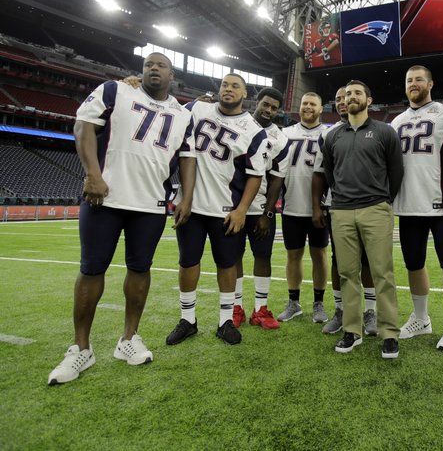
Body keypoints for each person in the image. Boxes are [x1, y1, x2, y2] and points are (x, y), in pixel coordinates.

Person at [48, 53, 196, 385]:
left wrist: (186, 197)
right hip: (105, 195)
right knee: (91, 268)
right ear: (140, 72)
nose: (153, 68)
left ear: (173, 75)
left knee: (140, 269)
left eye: (160, 65)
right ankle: (80, 349)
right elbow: (83, 126)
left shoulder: (182, 113)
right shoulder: (115, 91)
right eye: (148, 65)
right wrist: (92, 175)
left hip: (151, 202)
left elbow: (187, 156)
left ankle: (129, 339)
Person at [166, 73, 268, 346]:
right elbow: (166, 107)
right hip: (191, 205)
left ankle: (225, 322)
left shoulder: (253, 129)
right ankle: (188, 319)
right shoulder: (197, 108)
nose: (229, 89)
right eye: (225, 84)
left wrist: (242, 210)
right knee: (188, 262)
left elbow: (255, 174)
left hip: (226, 209)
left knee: (227, 265)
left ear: (244, 94)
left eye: (236, 86)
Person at [320, 80, 404, 358]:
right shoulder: (333, 136)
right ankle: (352, 331)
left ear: (369, 100)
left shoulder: (385, 131)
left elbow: (396, 172)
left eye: (357, 93)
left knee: (382, 273)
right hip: (341, 210)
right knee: (347, 273)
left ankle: (389, 333)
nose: (350, 97)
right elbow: (330, 174)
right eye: (346, 94)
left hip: (375, 209)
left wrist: (382, 200)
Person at [390, 65, 443, 351]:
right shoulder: (396, 122)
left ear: (430, 83)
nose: (413, 83)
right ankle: (421, 319)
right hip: (408, 204)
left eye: (419, 79)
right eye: (409, 80)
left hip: (441, 199)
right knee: (414, 264)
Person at [311, 87, 378, 335]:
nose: (342, 102)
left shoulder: (375, 130)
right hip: (338, 207)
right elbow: (320, 173)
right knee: (340, 263)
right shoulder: (328, 134)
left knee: (369, 261)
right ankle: (341, 311)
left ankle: (370, 311)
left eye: (346, 97)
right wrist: (317, 206)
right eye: (338, 99)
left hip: (369, 205)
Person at [232, 86, 289, 330]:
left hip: (260, 208)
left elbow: (277, 177)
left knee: (263, 256)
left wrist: (268, 212)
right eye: (265, 104)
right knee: (232, 256)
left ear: (278, 111)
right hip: (233, 205)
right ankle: (236, 307)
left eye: (274, 108)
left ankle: (260, 309)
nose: (268, 110)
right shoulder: (237, 124)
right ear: (256, 102)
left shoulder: (280, 138)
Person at [273, 92, 330, 324]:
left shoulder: (329, 133)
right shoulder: (285, 134)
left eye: (312, 104)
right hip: (291, 205)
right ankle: (294, 302)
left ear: (320, 108)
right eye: (304, 103)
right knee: (293, 255)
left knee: (319, 254)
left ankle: (318, 303)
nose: (307, 107)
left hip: (320, 207)